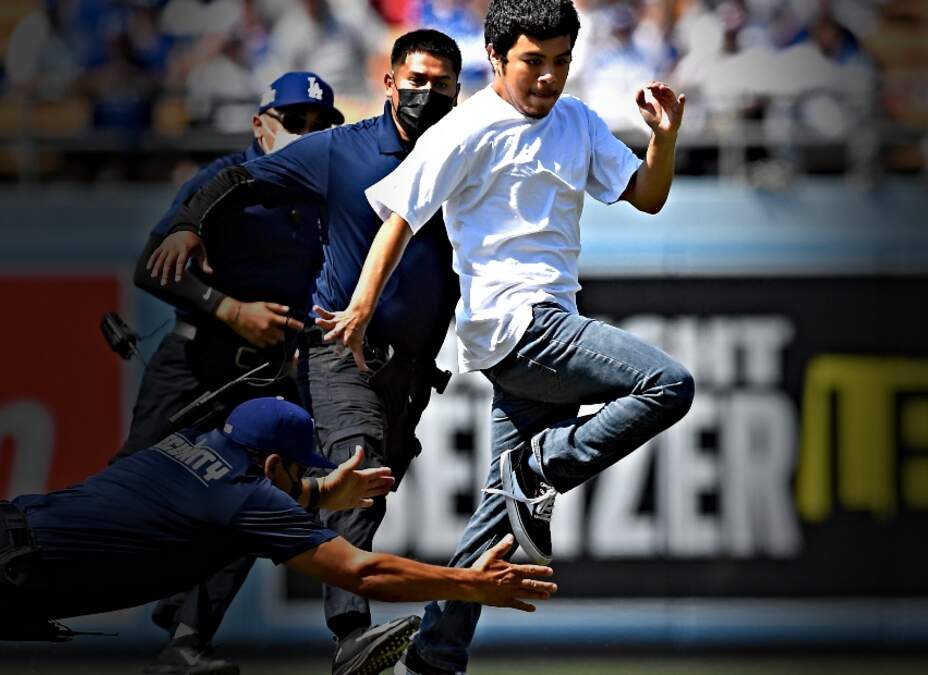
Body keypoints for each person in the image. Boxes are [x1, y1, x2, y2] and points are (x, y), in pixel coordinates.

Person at [313, 2, 696, 673]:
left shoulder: (575, 119)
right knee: (668, 382)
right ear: (495, 58)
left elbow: (647, 195)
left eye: (560, 61)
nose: (547, 77)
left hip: (534, 334)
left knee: (495, 524)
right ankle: (543, 465)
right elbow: (399, 220)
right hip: (518, 325)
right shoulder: (465, 128)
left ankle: (436, 656)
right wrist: (361, 306)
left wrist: (663, 138)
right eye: (532, 61)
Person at [0, 398, 558, 661]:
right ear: (273, 463)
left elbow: (250, 488)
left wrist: (316, 484)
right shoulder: (246, 498)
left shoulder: (193, 448)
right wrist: (469, 583)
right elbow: (363, 574)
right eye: (295, 470)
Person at [149, 29, 464, 675]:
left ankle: (186, 625)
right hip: (339, 351)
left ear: (460, 90)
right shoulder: (340, 151)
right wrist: (186, 221)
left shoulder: (468, 157)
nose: (426, 93)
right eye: (416, 80)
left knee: (289, 498)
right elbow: (239, 174)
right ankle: (351, 635)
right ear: (389, 81)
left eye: (440, 83)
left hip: (408, 373)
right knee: (360, 473)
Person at [123, 70, 342, 675]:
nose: (308, 134)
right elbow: (150, 266)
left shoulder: (326, 193)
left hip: (267, 377)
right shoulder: (224, 183)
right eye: (294, 121)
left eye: (321, 125)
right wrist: (229, 309)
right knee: (132, 490)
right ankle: (30, 588)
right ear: (260, 125)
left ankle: (188, 639)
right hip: (196, 363)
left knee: (258, 500)